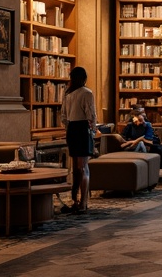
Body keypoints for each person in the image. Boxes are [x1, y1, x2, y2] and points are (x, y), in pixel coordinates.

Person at [61, 66, 97, 214]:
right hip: (82, 129)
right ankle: (83, 202)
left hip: (71, 129)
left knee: (76, 168)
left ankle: (74, 200)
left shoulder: (67, 93)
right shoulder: (87, 93)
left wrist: (68, 128)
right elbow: (91, 115)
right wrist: (93, 130)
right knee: (84, 168)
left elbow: (63, 115)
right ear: (84, 78)